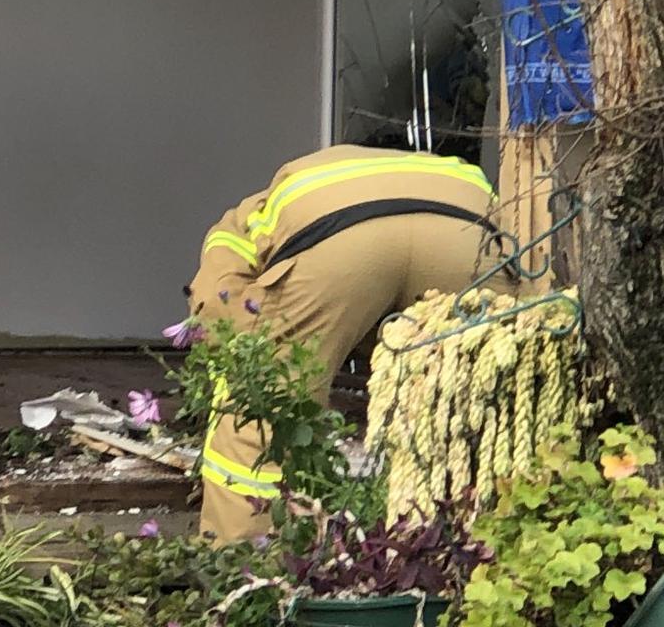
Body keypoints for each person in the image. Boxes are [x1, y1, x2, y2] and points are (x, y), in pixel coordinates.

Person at [182, 144, 514, 543]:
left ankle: (246, 558)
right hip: (466, 234)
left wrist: (239, 352)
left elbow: (218, 306)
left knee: (262, 407)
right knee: (488, 397)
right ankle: (488, 545)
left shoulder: (236, 227)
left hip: (343, 239)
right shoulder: (448, 171)